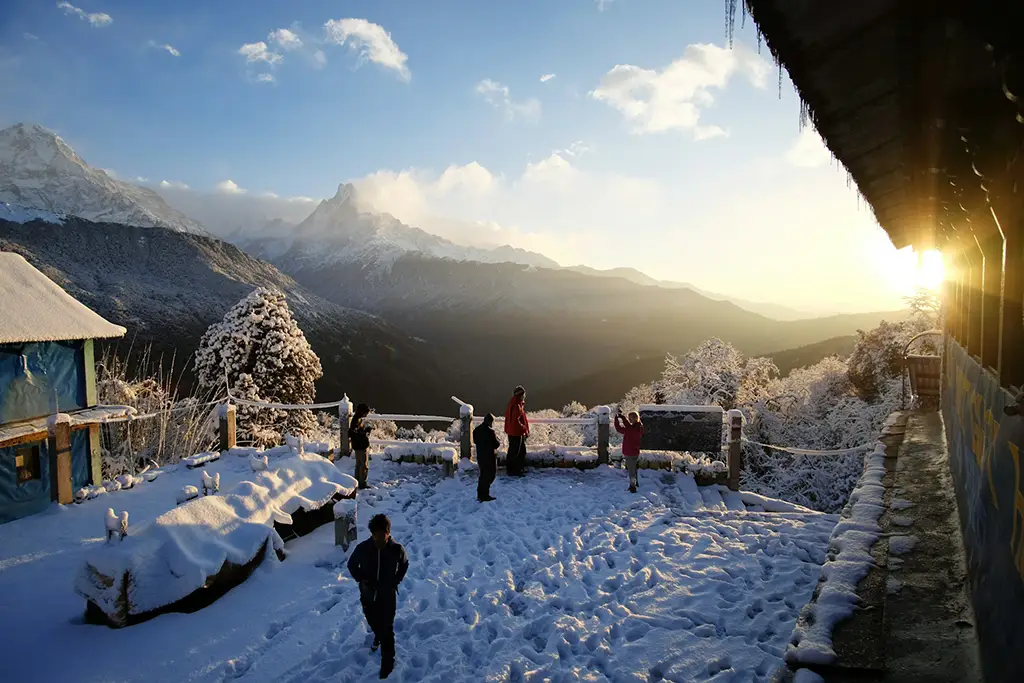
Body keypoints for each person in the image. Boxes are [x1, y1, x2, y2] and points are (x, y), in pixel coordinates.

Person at [347, 514, 409, 680]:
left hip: (387, 596)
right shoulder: (363, 548)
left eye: (383, 535)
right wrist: (361, 579)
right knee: (374, 622)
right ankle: (378, 635)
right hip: (368, 595)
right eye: (376, 535)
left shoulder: (396, 549)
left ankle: (387, 666)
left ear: (388, 533)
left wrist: (396, 579)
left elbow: (404, 564)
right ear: (372, 533)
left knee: (387, 630)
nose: (379, 539)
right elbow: (351, 565)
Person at [615, 409, 644, 493]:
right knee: (633, 468)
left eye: (630, 418)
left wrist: (616, 419)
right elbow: (628, 426)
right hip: (635, 451)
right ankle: (636, 483)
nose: (629, 420)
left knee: (631, 471)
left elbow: (619, 428)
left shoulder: (630, 429)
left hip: (629, 452)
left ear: (633, 418)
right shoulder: (639, 427)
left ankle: (632, 486)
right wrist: (622, 417)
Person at [504, 385, 530, 476]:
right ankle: (514, 470)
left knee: (517, 451)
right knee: (516, 452)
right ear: (521, 395)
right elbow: (516, 420)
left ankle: (516, 469)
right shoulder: (517, 404)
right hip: (516, 432)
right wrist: (524, 428)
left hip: (513, 431)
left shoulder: (513, 402)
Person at [473, 413, 500, 502]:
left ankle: (480, 494)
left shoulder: (476, 430)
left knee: (483, 475)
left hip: (480, 455)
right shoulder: (490, 432)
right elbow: (496, 444)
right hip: (489, 457)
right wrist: (497, 439)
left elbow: (475, 441)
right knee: (490, 475)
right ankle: (484, 495)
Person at [349, 403, 373, 489]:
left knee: (359, 464)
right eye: (366, 412)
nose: (366, 414)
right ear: (362, 412)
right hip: (361, 445)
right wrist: (365, 432)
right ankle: (362, 483)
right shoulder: (357, 420)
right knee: (363, 465)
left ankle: (357, 481)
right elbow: (355, 433)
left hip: (357, 445)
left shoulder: (356, 419)